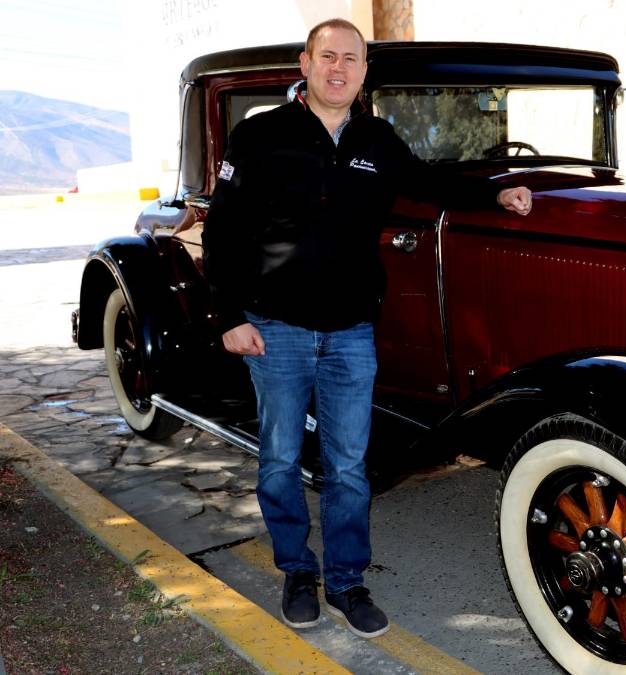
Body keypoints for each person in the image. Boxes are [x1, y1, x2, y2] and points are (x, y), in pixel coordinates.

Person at [202, 18, 532, 639]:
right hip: (278, 330)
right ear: (304, 62)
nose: (338, 69)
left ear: (362, 72)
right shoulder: (259, 134)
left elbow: (431, 183)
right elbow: (223, 230)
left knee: (349, 466)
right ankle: (298, 571)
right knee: (278, 458)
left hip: (351, 331)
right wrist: (229, 319)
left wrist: (497, 193)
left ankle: (348, 581)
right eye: (327, 56)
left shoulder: (378, 139)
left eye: (350, 59)